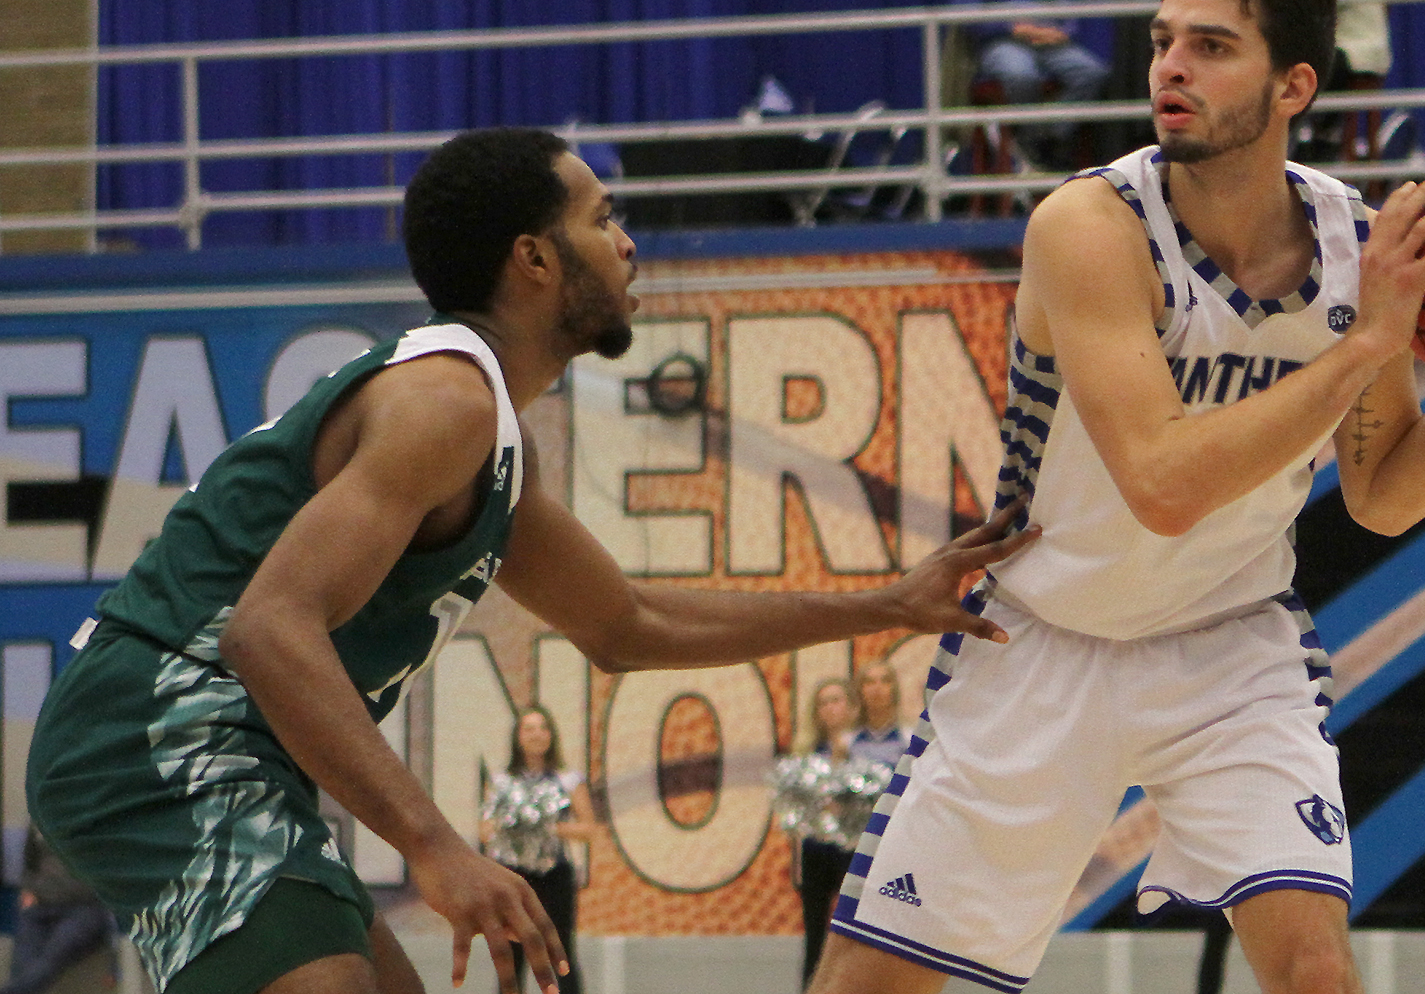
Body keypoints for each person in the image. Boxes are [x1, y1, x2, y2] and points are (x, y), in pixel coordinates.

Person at [24, 126, 1038, 994]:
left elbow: (628, 626)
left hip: (230, 750)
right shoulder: (445, 403)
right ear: (535, 259)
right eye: (601, 219)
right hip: (156, 728)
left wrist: (889, 607)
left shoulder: (496, 435)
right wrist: (433, 845)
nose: (628, 243)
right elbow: (268, 627)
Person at [807, 0, 1425, 994]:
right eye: (1163, 39)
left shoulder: (1352, 244)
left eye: (1212, 46)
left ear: (1293, 86)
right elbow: (1163, 484)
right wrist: (1368, 340)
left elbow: (1385, 494)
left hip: (1232, 645)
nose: (1170, 67)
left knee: (1315, 970)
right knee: (868, 987)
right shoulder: (1089, 225)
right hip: (1044, 639)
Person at [950, 0, 1112, 169]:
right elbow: (966, 16)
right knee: (1021, 75)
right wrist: (1012, 28)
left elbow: (1067, 19)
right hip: (1001, 43)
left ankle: (1051, 135)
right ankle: (1032, 140)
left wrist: (1060, 33)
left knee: (1093, 73)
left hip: (1047, 43)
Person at [479, 706, 592, 994]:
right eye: (528, 728)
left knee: (560, 951)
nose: (536, 735)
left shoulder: (568, 780)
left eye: (543, 728)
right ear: (517, 737)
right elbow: (484, 831)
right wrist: (511, 825)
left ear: (552, 735)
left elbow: (589, 830)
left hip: (554, 874)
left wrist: (548, 825)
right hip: (512, 876)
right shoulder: (501, 781)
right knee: (511, 955)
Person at [1271, 0, 1391, 162]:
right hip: (1325, 43)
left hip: (1358, 44)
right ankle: (1300, 136)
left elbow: (1327, 5)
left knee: (1313, 63)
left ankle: (1322, 131)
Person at [795, 678, 863, 987]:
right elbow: (797, 802)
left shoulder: (866, 746)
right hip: (816, 846)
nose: (830, 708)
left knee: (855, 927)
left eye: (836, 701)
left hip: (854, 847)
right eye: (823, 703)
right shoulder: (807, 750)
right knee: (814, 931)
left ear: (852, 707)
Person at [0, 827, 116, 994]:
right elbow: (29, 862)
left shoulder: (98, 822)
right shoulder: (41, 814)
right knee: (22, 963)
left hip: (86, 908)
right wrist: (28, 889)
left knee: (51, 957)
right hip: (40, 903)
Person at [850, 659, 908, 770]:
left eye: (885, 681)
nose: (877, 688)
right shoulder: (847, 742)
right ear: (859, 691)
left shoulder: (909, 739)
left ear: (894, 689)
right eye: (869, 682)